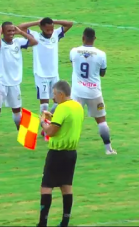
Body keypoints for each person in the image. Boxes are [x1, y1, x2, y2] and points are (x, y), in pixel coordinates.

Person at [38, 80, 84, 227]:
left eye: (54, 94)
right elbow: (66, 125)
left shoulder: (62, 108)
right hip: (71, 154)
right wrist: (52, 118)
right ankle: (65, 222)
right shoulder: (77, 106)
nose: (53, 98)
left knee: (46, 187)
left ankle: (42, 223)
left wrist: (43, 123)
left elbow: (51, 131)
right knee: (66, 186)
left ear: (61, 94)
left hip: (57, 153)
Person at [18, 18, 73, 140]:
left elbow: (69, 23)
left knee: (58, 102)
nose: (50, 31)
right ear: (41, 27)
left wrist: (55, 21)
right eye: (47, 29)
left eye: (51, 28)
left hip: (54, 75)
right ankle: (45, 131)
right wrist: (36, 22)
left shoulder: (56, 34)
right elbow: (20, 26)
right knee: (44, 104)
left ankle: (46, 127)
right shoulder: (35, 35)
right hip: (41, 75)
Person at [0, 22, 38, 144]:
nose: (11, 33)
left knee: (17, 110)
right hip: (0, 82)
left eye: (12, 31)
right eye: (8, 31)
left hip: (14, 83)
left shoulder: (18, 42)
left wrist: (20, 32)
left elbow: (34, 42)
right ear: (3, 32)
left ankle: (22, 135)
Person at [70, 27, 117, 155]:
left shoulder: (74, 51)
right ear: (94, 38)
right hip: (94, 92)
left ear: (82, 37)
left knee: (73, 120)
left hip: (77, 92)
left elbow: (73, 64)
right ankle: (108, 149)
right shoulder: (101, 54)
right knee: (101, 121)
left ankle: (69, 147)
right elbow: (102, 73)